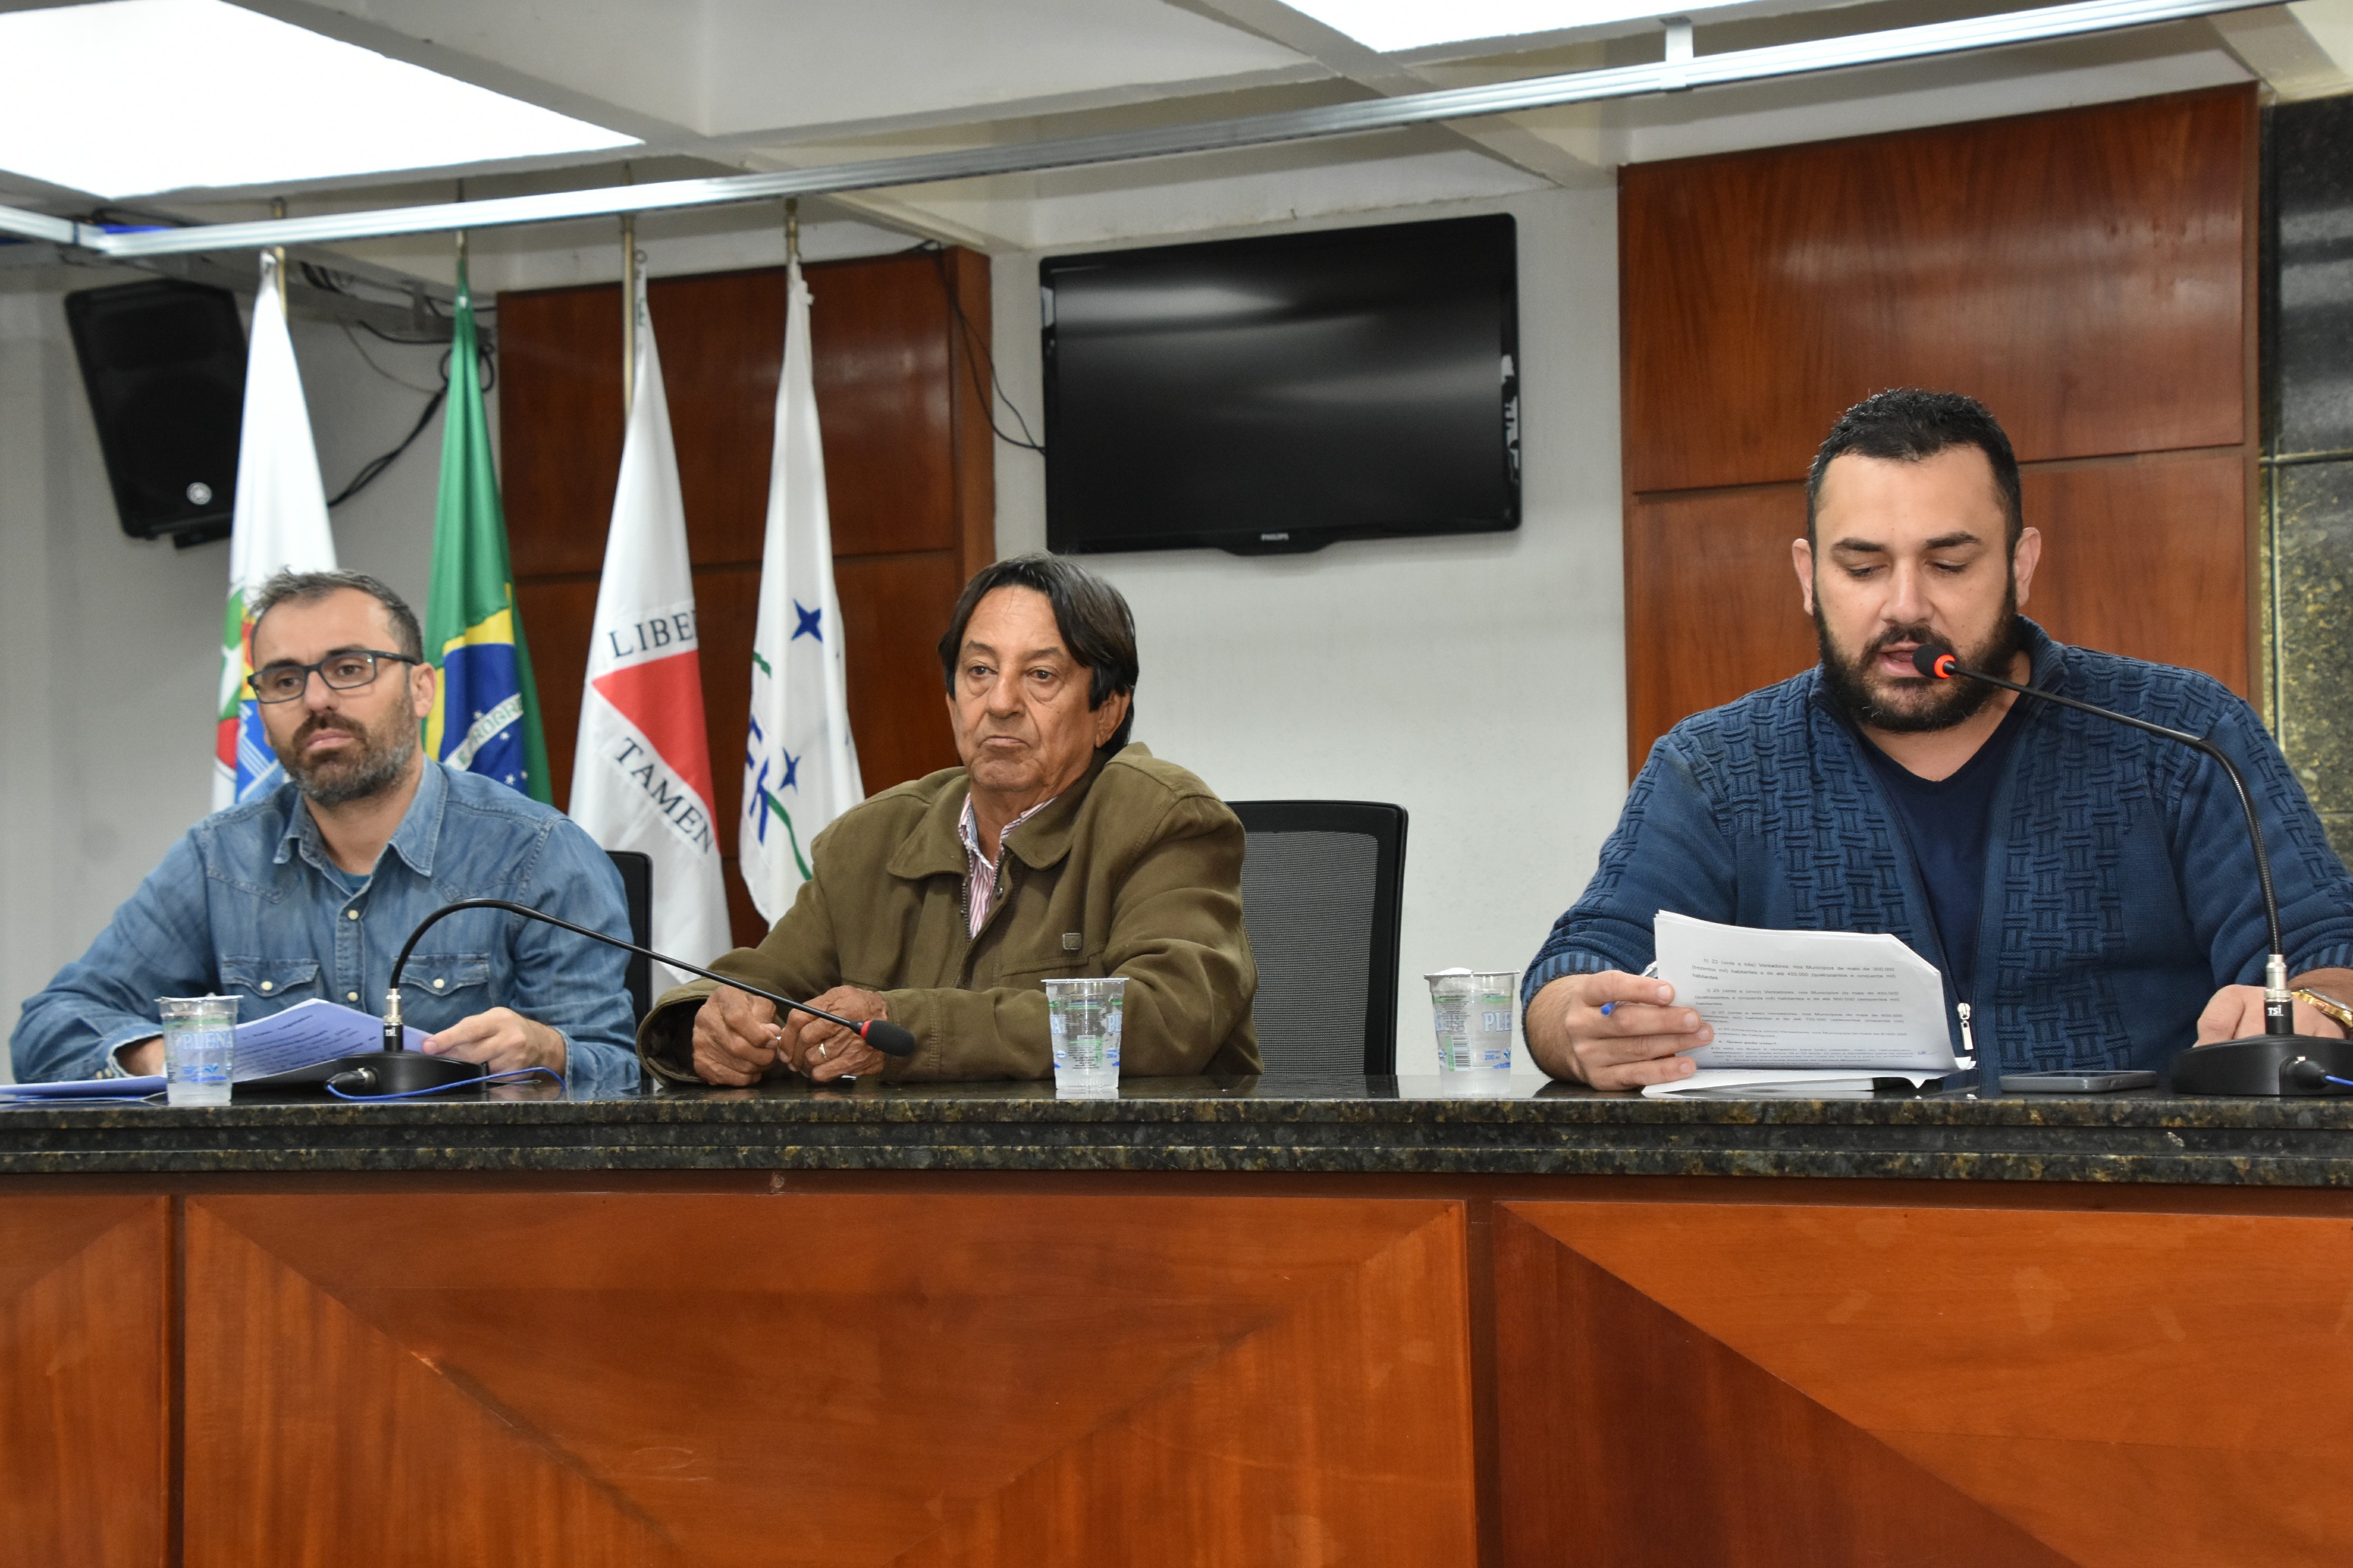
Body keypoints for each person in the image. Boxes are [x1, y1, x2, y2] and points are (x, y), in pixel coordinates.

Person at [1525, 389, 2353, 1090]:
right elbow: (1575, 971)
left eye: (1948, 564)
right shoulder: (1716, 767)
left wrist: (2319, 1007)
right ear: (1808, 578)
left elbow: (2327, 951)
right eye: (1862, 568)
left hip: (2135, 1203)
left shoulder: (2182, 735)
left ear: (2020, 565)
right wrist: (1578, 1027)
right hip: (1820, 1210)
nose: (1905, 607)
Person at [643, 553, 1259, 1084]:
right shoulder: (870, 841)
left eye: (1040, 676)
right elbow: (757, 983)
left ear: (1108, 711)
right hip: (905, 1176)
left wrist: (910, 1028)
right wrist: (704, 1026)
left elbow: (1167, 1019)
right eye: (979, 672)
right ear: (951, 701)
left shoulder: (1161, 820)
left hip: (1120, 1174)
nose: (1000, 703)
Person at [10, 570, 638, 1090]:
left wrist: (549, 1052)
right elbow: (49, 1027)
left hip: (471, 1190)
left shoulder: (538, 852)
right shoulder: (219, 858)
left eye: (349, 668)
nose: (315, 700)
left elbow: (619, 1072)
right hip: (265, 1193)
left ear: (422, 689)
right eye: (285, 680)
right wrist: (165, 1057)